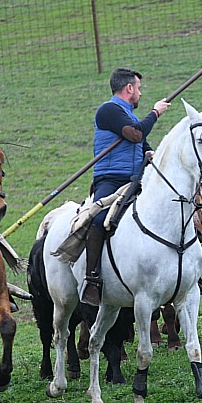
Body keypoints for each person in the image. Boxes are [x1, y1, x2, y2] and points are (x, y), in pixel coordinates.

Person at [83, 67, 170, 307]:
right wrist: (155, 113)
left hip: (136, 179)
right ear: (129, 88)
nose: (140, 94)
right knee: (99, 219)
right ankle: (92, 279)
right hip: (110, 180)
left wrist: (149, 151)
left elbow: (139, 140)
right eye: (139, 88)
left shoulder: (129, 116)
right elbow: (134, 135)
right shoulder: (109, 110)